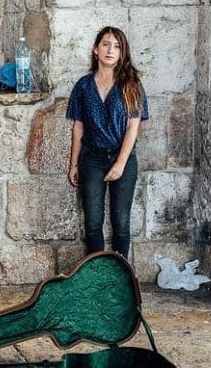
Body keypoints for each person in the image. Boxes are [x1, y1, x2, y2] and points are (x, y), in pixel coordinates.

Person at [66, 26, 149, 259]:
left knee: (120, 221)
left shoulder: (131, 85)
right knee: (93, 221)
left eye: (117, 46)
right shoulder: (83, 86)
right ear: (95, 49)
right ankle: (97, 276)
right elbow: (78, 127)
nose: (111, 50)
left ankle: (121, 277)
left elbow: (134, 126)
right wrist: (73, 164)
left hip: (122, 158)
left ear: (122, 53)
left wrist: (120, 164)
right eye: (105, 44)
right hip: (91, 158)